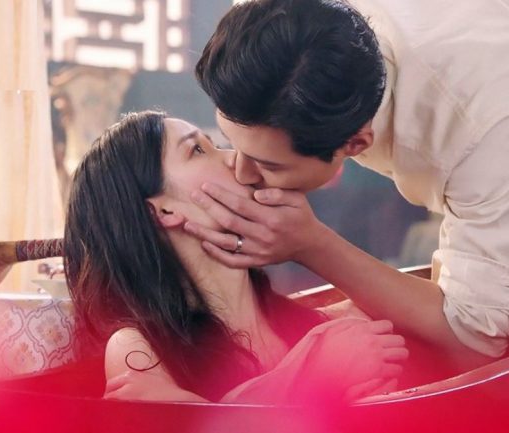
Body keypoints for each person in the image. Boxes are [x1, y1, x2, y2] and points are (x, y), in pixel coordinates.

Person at [188, 0, 509, 365]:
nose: (241, 173)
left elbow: (479, 335)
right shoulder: (269, 33)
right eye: (226, 141)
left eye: (268, 164)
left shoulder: (481, 124)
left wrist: (311, 244)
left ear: (355, 144)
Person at [62, 111, 408, 403]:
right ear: (161, 211)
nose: (236, 159)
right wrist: (311, 370)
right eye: (198, 150)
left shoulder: (337, 327)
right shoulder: (139, 349)